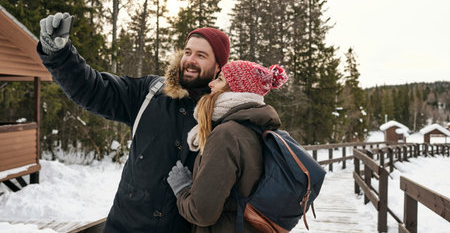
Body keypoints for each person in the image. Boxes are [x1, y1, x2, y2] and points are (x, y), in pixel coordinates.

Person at [37, 12, 230, 233]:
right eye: (188, 52)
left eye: (201, 55)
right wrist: (60, 54)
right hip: (126, 225)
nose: (190, 60)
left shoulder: (223, 115)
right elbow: (94, 89)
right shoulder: (151, 93)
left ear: (218, 67)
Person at [167, 60, 288, 232]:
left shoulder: (226, 135)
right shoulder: (259, 129)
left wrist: (182, 189)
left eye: (221, 79)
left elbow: (202, 213)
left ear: (236, 90)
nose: (211, 83)